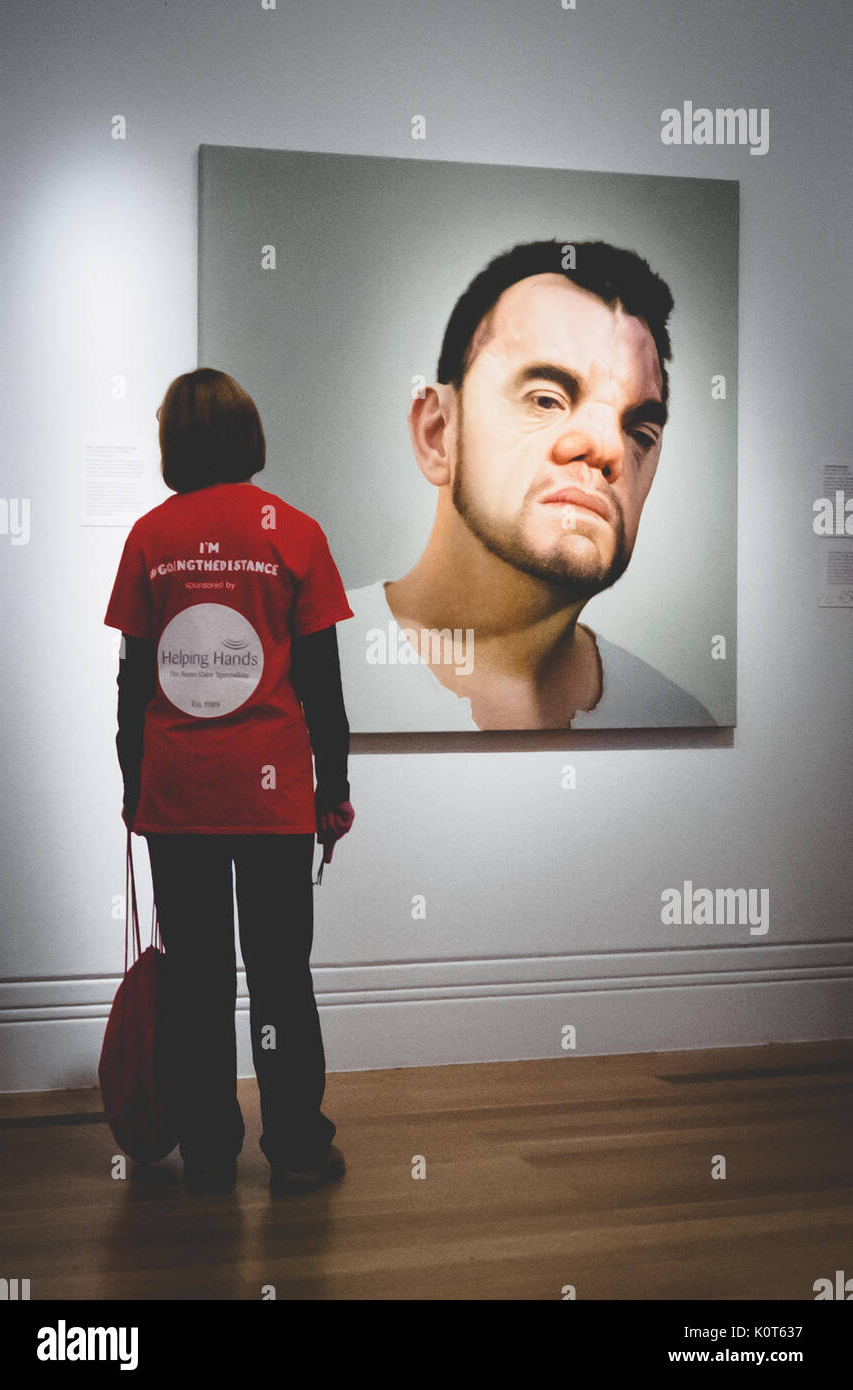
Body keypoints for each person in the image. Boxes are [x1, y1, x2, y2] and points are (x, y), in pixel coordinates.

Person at [103, 367, 355, 1195]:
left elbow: (133, 680)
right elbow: (321, 682)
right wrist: (334, 788)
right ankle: (296, 1148)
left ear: (176, 441)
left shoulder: (150, 535)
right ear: (249, 435)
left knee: (198, 980)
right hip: (274, 791)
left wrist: (132, 782)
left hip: (178, 794)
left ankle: (210, 1147)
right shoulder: (297, 532)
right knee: (282, 974)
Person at [336, 238, 716, 731]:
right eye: (545, 399)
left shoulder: (673, 718)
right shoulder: (293, 676)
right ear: (438, 434)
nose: (607, 447)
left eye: (638, 431)